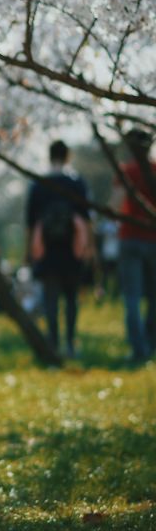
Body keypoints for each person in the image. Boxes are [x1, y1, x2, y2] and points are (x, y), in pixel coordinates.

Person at [26, 140, 93, 359]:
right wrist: (89, 248)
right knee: (71, 299)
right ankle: (71, 343)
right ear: (68, 156)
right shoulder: (77, 183)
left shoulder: (38, 185)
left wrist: (29, 253)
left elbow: (30, 222)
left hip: (46, 250)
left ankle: (53, 343)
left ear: (49, 156)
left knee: (50, 299)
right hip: (72, 249)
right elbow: (86, 218)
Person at [113, 129, 156, 364]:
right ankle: (151, 343)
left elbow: (117, 204)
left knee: (132, 297)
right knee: (154, 297)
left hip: (130, 238)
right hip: (154, 239)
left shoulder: (126, 171)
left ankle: (138, 348)